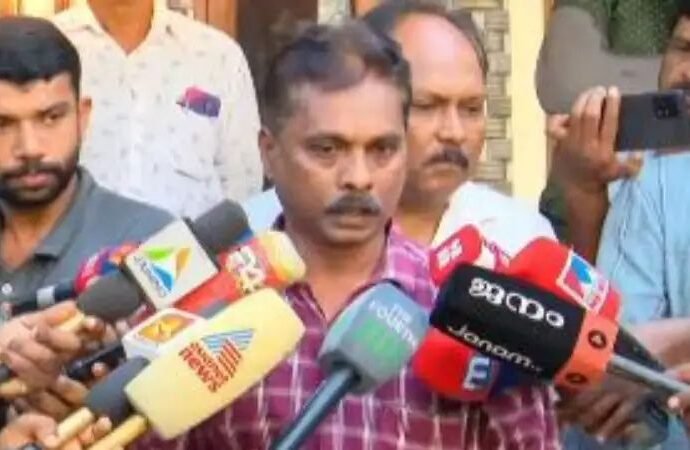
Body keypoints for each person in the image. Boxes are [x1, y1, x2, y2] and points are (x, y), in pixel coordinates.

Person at [135, 20, 559, 450]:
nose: (358, 177)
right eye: (327, 149)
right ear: (269, 153)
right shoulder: (199, 307)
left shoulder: (471, 321)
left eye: (382, 149)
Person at [244, 0, 554, 255]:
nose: (454, 132)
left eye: (471, 109)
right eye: (427, 105)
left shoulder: (522, 239)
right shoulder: (249, 241)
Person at [547, 3, 690, 449]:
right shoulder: (649, 173)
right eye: (683, 49)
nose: (687, 72)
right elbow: (617, 351)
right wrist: (584, 195)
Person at [0, 16, 172, 310]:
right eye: (3, 124)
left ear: (82, 117)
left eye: (51, 118)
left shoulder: (154, 242)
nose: (30, 148)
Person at [53, 0, 262, 217]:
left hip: (193, 239)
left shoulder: (217, 56)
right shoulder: (49, 46)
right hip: (76, 239)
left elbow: (243, 186)